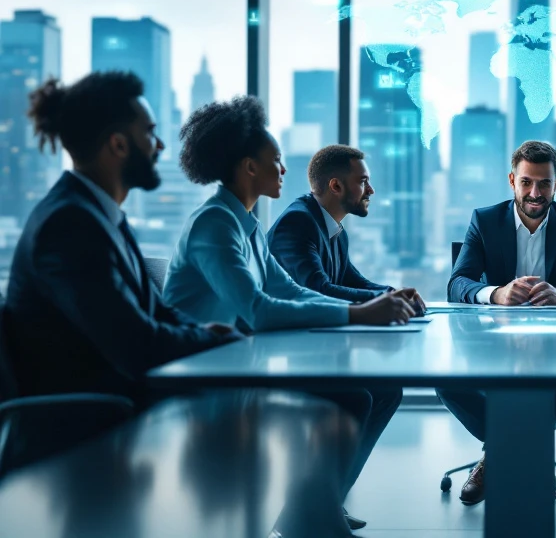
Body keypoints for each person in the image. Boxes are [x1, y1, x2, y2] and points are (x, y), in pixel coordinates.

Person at [161, 96, 415, 531]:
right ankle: (311, 517)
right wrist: (359, 315)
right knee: (352, 397)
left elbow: (293, 290)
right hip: (204, 371)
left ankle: (315, 509)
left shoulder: (245, 226)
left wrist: (366, 308)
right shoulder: (213, 225)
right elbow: (258, 311)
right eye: (275, 160)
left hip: (238, 360)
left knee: (380, 388)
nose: (283, 170)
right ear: (249, 167)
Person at [4, 72, 239, 403]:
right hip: (89, 418)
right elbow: (136, 345)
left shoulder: (100, 215)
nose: (160, 145)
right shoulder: (68, 225)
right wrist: (215, 341)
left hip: (122, 401)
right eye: (150, 132)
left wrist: (208, 333)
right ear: (118, 144)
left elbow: (157, 312)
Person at [441, 140, 556, 505]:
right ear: (512, 181)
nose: (536, 193)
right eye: (526, 182)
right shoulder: (485, 220)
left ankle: (495, 456)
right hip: (492, 341)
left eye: (545, 183)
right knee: (446, 383)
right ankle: (530, 456)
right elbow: (457, 284)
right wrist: (496, 293)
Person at [267, 144, 425, 314]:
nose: (371, 190)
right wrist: (389, 299)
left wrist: (393, 293)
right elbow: (318, 290)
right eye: (363, 182)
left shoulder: (336, 231)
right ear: (336, 186)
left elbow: (353, 281)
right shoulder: (297, 222)